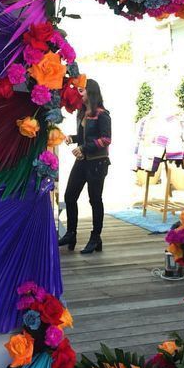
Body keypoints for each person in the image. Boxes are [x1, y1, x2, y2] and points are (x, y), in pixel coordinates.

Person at [59, 79, 111, 254]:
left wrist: (83, 148)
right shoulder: (81, 113)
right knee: (70, 196)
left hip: (97, 162)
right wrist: (72, 139)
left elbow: (106, 139)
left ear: (91, 92)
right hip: (82, 161)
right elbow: (84, 137)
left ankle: (95, 237)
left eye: (82, 91)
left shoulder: (102, 114)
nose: (79, 94)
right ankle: (71, 233)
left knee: (95, 200)